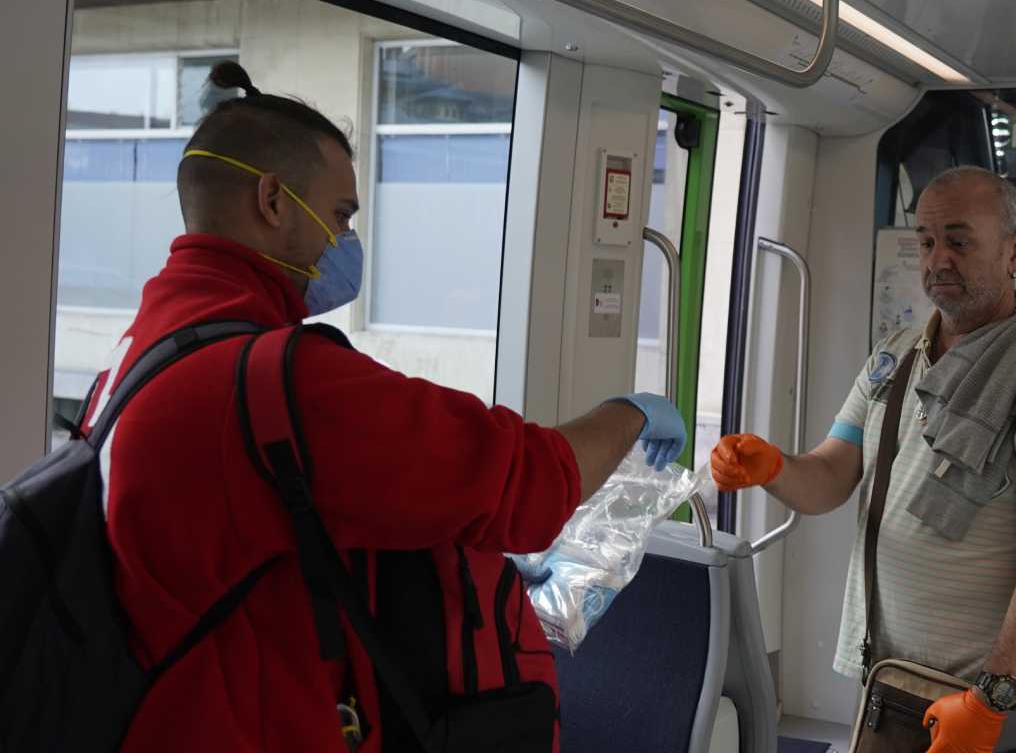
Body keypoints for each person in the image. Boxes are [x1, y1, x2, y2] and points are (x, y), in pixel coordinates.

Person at [80, 61, 687, 752]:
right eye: (340, 215)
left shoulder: (145, 349)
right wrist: (630, 412)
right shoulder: (280, 383)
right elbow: (528, 482)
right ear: (273, 201)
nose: (346, 241)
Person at [712, 166, 1016, 753]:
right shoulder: (894, 357)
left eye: (960, 241)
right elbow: (832, 477)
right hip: (885, 679)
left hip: (973, 693)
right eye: (925, 241)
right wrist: (772, 469)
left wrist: (990, 700)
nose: (937, 258)